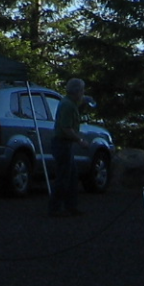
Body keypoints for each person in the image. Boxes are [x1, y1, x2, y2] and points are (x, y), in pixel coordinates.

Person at [49, 78, 85, 217]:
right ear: (76, 91)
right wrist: (79, 140)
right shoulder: (67, 106)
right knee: (63, 177)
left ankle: (70, 206)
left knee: (71, 176)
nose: (83, 93)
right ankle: (55, 208)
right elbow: (66, 127)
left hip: (65, 144)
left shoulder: (70, 103)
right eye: (81, 90)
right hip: (62, 143)